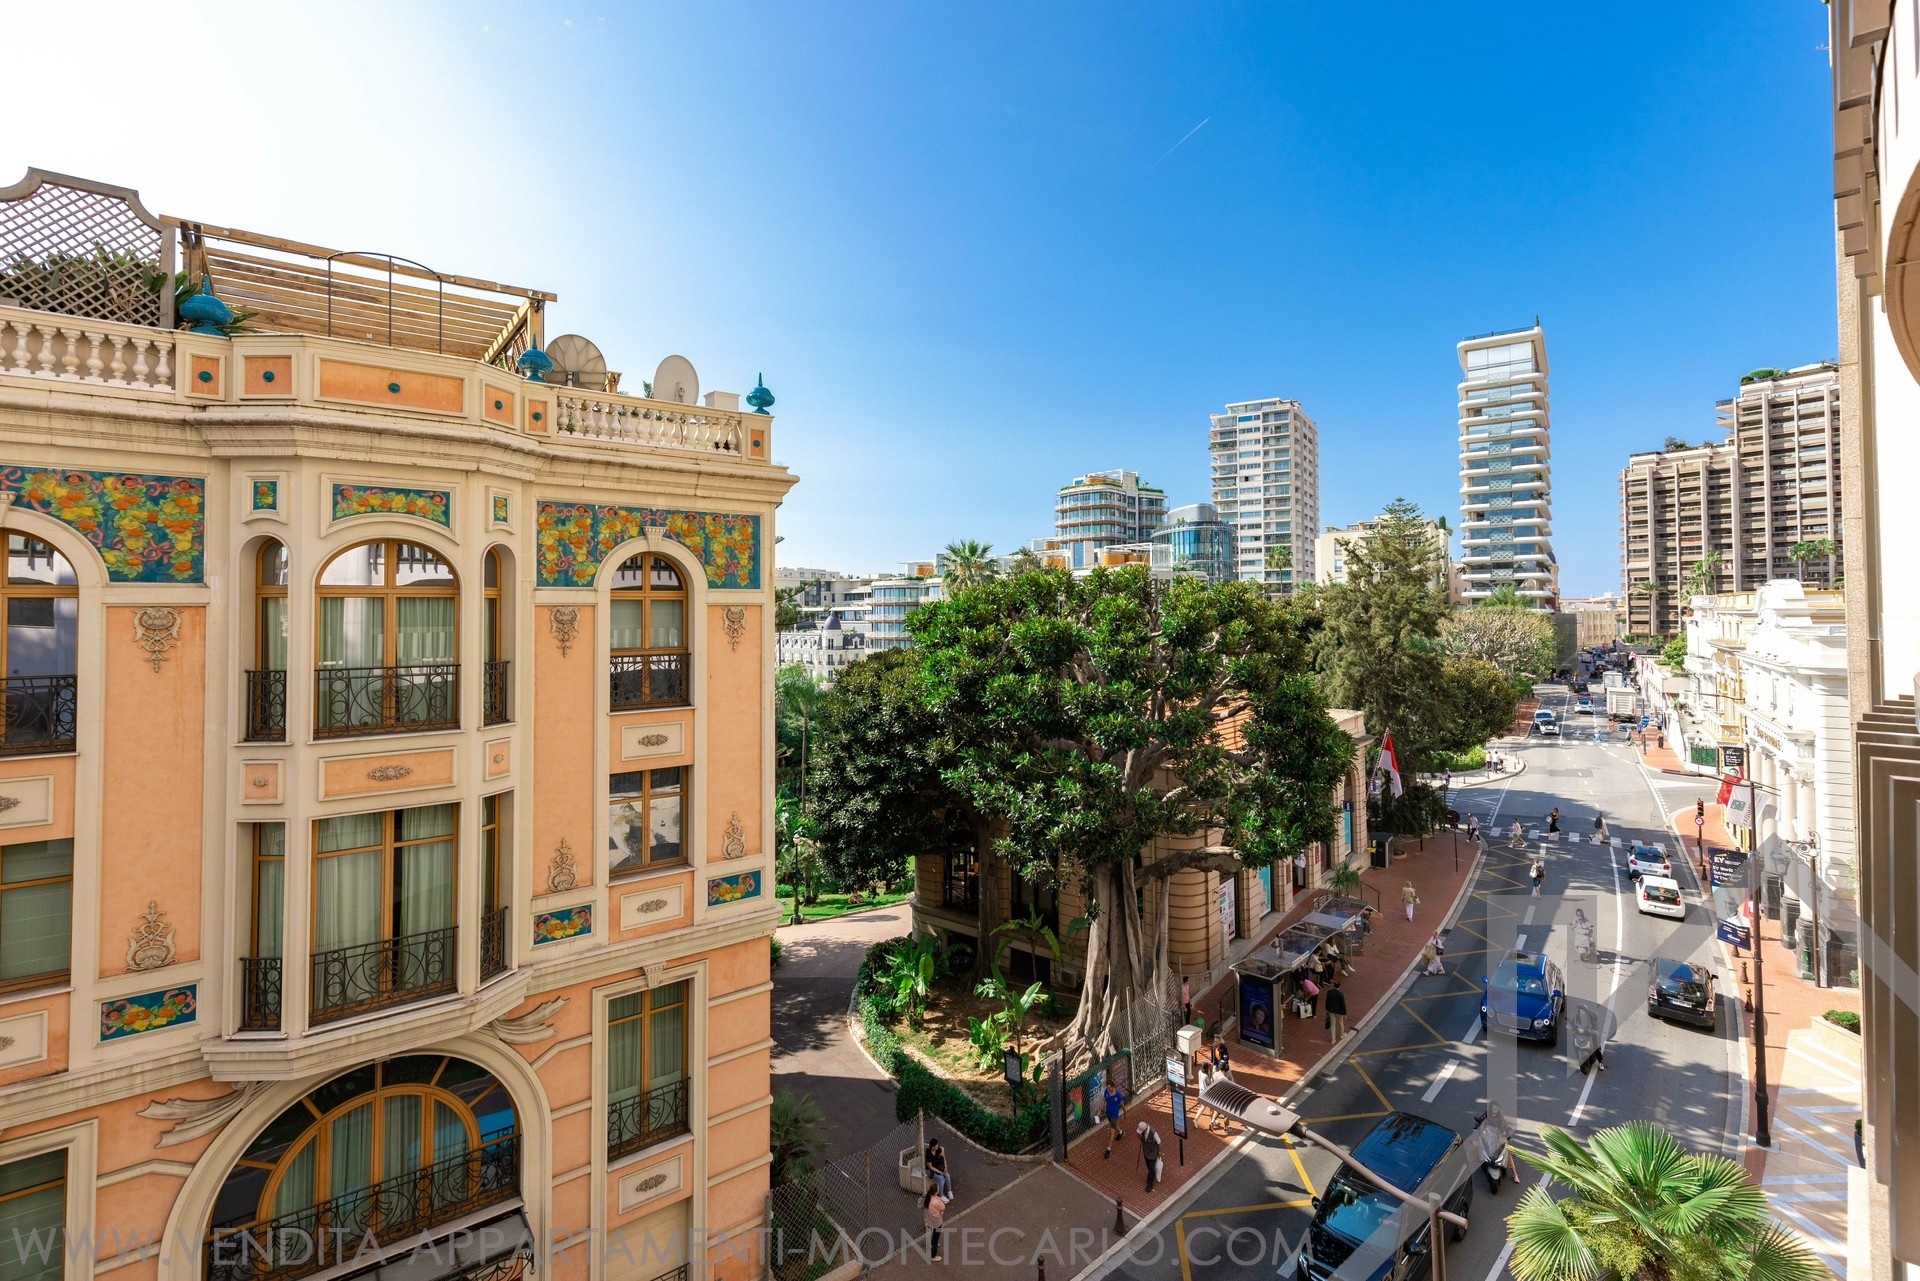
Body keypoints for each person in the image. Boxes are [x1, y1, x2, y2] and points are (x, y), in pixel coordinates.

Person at [1573, 1003, 1606, 1075]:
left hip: (1589, 1031)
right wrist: (1571, 1026)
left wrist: (1591, 1029)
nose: (1580, 1011)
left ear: (1586, 1010)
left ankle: (1600, 1062)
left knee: (1596, 1046)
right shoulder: (1577, 1015)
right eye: (1579, 1009)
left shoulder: (1591, 1015)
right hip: (1581, 1031)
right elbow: (1573, 1022)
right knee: (1573, 1036)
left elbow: (1594, 1024)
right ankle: (1576, 1050)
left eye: (1582, 1009)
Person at [922, 1184, 948, 1262]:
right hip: (936, 1222)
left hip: (929, 1220)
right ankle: (933, 1256)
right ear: (936, 1191)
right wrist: (938, 1198)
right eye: (938, 1187)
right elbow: (943, 1207)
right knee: (936, 1237)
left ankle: (932, 1243)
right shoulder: (936, 1201)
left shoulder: (928, 1197)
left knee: (933, 1233)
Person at [1102, 1078, 1125, 1158]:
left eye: (1109, 1087)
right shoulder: (1106, 1091)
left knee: (1112, 1131)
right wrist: (1099, 1110)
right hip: (1108, 1113)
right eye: (1107, 1087)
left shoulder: (1118, 1095)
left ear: (1112, 1087)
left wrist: (1125, 1113)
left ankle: (1109, 1149)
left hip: (1114, 1114)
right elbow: (1104, 1100)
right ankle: (1121, 1132)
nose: (1108, 1089)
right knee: (1114, 1126)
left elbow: (1122, 1105)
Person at [1139, 1120, 1163, 1192]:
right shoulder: (1142, 1130)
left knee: (1151, 1168)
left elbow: (1159, 1142)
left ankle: (1149, 1184)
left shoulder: (1153, 1133)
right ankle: (1152, 1174)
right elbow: (1138, 1136)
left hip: (1153, 1153)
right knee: (1149, 1167)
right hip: (1146, 1152)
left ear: (1145, 1129)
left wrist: (1159, 1152)